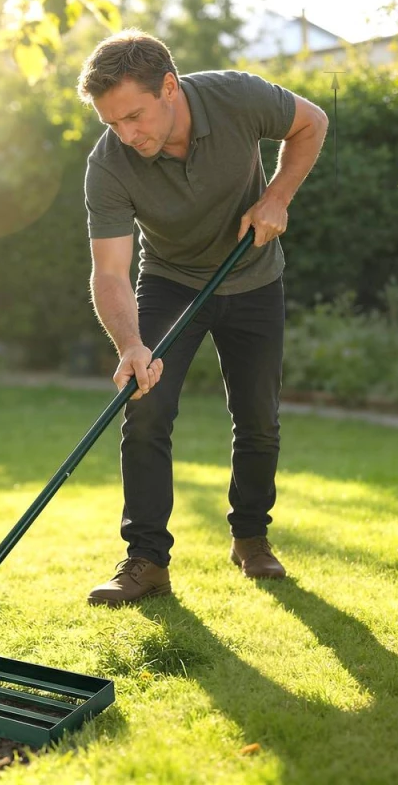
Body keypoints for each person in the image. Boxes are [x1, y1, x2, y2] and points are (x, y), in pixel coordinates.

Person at [78, 30, 328, 607]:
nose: (127, 135)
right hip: (169, 282)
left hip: (254, 277)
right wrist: (131, 345)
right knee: (144, 408)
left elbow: (311, 122)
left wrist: (278, 196)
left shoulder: (235, 97)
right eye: (112, 123)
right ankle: (146, 561)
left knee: (258, 416)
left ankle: (250, 538)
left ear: (170, 87)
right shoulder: (109, 164)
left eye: (135, 116)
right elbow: (110, 273)